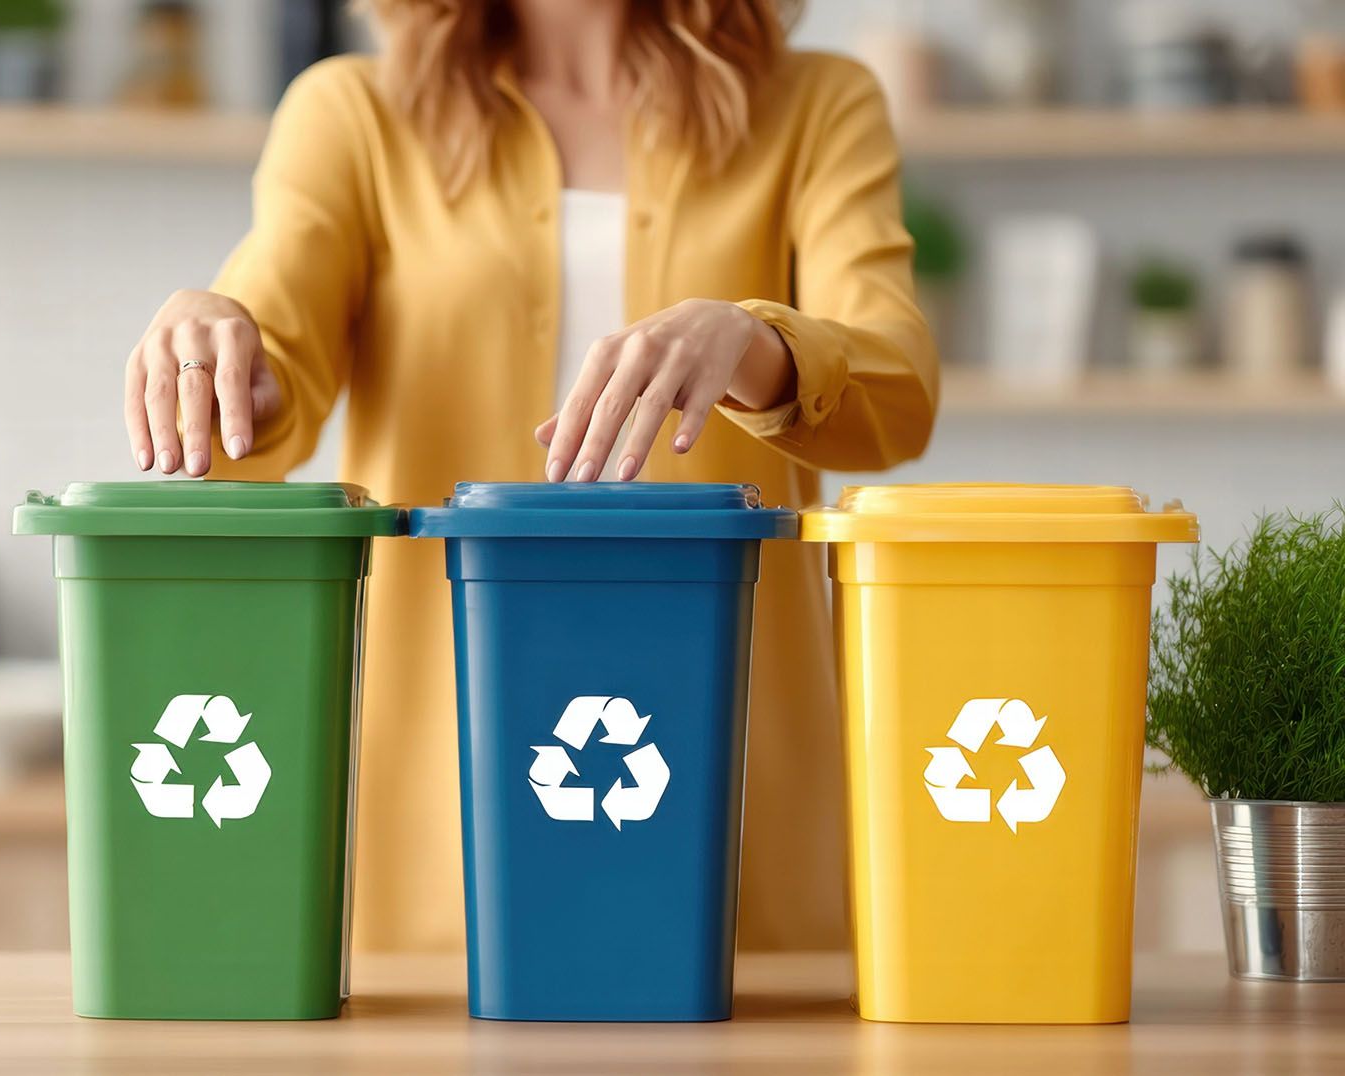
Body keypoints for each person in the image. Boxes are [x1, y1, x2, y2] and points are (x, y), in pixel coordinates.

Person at [119, 0, 937, 953]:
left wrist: (754, 341)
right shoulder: (353, 112)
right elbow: (272, 381)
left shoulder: (817, 104)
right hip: (443, 777)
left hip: (735, 764)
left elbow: (898, 391)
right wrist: (216, 352)